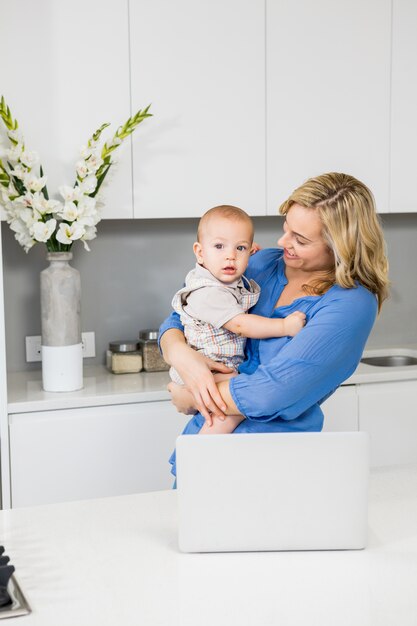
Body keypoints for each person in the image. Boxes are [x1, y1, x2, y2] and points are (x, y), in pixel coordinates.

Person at [159, 172, 389, 480]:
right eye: (286, 229)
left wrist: (193, 396)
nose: (283, 243)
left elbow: (273, 392)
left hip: (271, 460)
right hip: (205, 439)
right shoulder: (263, 264)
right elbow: (185, 311)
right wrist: (180, 355)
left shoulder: (351, 304)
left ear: (341, 247)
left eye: (301, 239)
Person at [169, 205, 306, 435]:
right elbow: (241, 324)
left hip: (217, 365)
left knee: (234, 399)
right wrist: (283, 326)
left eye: (240, 248)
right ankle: (201, 452)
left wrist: (247, 257)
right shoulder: (208, 292)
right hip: (207, 366)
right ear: (200, 252)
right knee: (228, 412)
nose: (230, 255)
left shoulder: (227, 279)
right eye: (219, 246)